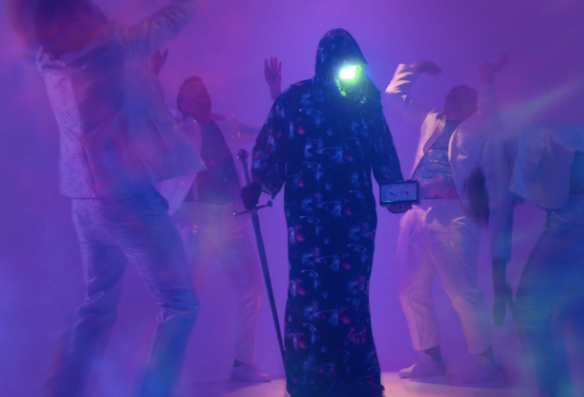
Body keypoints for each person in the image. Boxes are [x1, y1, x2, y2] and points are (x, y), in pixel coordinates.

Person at [32, 0, 204, 396]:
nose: (97, 10)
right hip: (128, 200)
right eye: (88, 6)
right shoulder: (111, 47)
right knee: (180, 303)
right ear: (79, 17)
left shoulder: (49, 62)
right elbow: (174, 16)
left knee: (96, 308)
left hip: (85, 203)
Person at [241, 28, 410, 397]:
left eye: (354, 65)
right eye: (343, 64)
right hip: (308, 217)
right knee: (309, 291)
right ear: (326, 62)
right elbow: (272, 143)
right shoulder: (295, 98)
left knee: (351, 294)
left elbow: (382, 150)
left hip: (355, 218)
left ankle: (354, 379)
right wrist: (259, 182)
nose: (350, 71)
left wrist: (395, 190)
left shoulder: (366, 99)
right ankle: (309, 380)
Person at [154, 54, 285, 382]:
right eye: (193, 91)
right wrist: (152, 76)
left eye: (204, 89)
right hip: (197, 219)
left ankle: (243, 366)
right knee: (184, 297)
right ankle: (163, 373)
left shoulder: (228, 123)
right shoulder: (179, 127)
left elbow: (270, 130)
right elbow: (152, 113)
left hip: (232, 218)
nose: (202, 93)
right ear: (182, 104)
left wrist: (275, 93)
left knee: (251, 290)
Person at [485, 124, 584, 397]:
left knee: (529, 311)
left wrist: (499, 279)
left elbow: (501, 210)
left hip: (581, 213)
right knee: (579, 311)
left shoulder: (492, 155)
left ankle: (555, 392)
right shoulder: (536, 131)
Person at [384, 57, 506, 382]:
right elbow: (393, 97)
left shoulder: (478, 127)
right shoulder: (431, 119)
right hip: (416, 213)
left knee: (462, 290)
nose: (455, 92)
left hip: (454, 215)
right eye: (453, 90)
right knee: (409, 289)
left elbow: (492, 116)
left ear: (474, 103)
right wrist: (414, 68)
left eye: (465, 91)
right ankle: (430, 359)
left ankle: (487, 363)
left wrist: (486, 80)